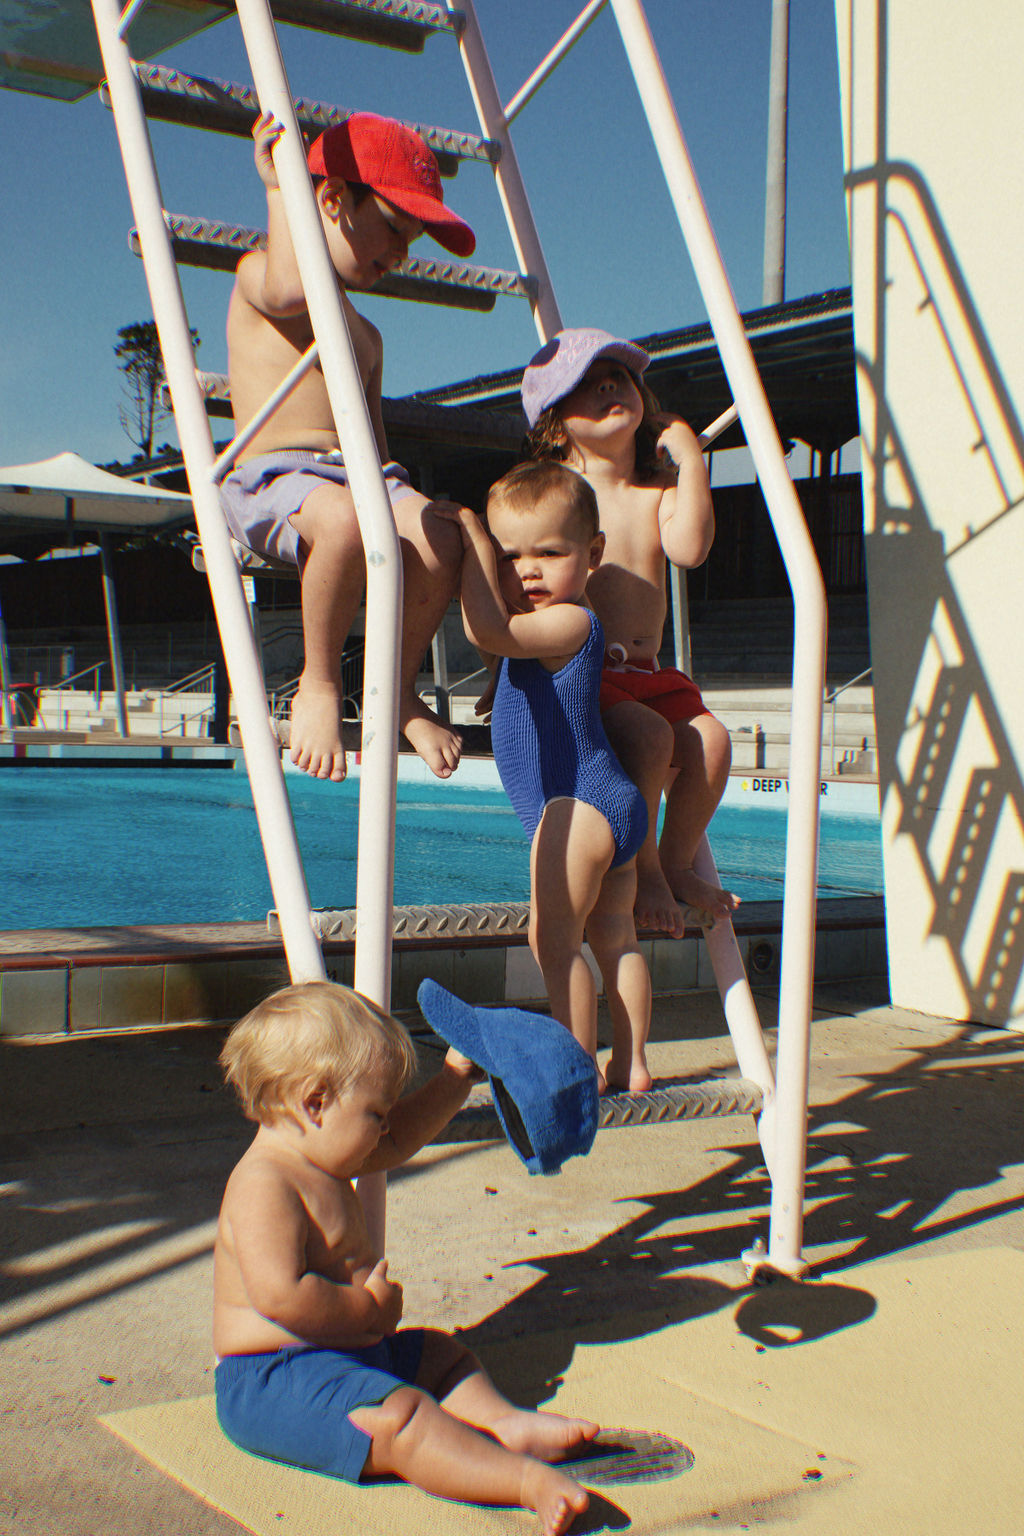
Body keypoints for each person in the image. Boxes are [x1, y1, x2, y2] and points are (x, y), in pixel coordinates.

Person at [214, 980, 596, 1535]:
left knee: (440, 1356)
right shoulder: (264, 1185)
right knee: (402, 1420)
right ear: (315, 1103)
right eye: (375, 1113)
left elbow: (397, 1144)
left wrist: (455, 1077)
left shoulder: (320, 1157)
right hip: (274, 1379)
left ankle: (504, 1424)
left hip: (347, 1354)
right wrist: (366, 1312)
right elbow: (283, 1296)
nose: (385, 1128)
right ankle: (519, 1482)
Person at [220, 111, 475, 783]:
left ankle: (395, 688)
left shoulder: (367, 338)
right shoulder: (261, 280)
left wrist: (420, 512)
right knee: (341, 518)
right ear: (332, 201)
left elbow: (377, 449)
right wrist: (282, 191)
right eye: (394, 226)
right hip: (272, 478)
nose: (402, 253)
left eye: (413, 239)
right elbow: (289, 285)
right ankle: (320, 683)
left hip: (360, 479)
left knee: (442, 534)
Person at [439, 461, 654, 1093]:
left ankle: (576, 1067)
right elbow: (504, 651)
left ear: (592, 555)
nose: (526, 570)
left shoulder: (573, 621)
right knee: (616, 936)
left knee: (554, 942)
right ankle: (632, 1063)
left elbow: (490, 628)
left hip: (578, 808)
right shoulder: (542, 635)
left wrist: (476, 550)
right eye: (509, 556)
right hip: (607, 805)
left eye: (549, 552)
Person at [522, 328, 739, 939]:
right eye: (590, 383)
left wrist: (692, 460)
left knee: (712, 742)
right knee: (647, 740)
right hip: (589, 672)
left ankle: (673, 861)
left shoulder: (655, 494)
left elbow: (691, 549)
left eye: (620, 376)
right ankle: (642, 866)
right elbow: (521, 577)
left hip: (650, 672)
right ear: (554, 419)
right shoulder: (557, 493)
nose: (611, 385)